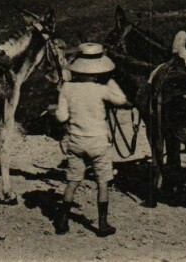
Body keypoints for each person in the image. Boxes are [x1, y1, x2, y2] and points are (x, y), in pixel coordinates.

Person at [53, 42, 129, 237]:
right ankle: (102, 224)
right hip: (98, 142)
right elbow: (122, 101)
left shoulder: (67, 88)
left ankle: (62, 220)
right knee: (102, 182)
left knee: (73, 181)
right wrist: (110, 81)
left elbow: (61, 117)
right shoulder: (102, 89)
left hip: (76, 141)